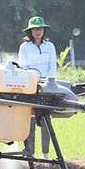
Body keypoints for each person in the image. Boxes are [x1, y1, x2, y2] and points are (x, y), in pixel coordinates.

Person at [18, 16, 56, 159]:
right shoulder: (25, 47)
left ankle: (45, 153)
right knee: (30, 119)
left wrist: (48, 81)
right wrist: (33, 81)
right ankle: (30, 152)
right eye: (35, 29)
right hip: (30, 85)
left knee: (46, 118)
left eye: (40, 29)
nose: (38, 31)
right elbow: (24, 66)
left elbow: (52, 65)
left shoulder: (49, 46)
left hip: (46, 85)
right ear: (30, 31)